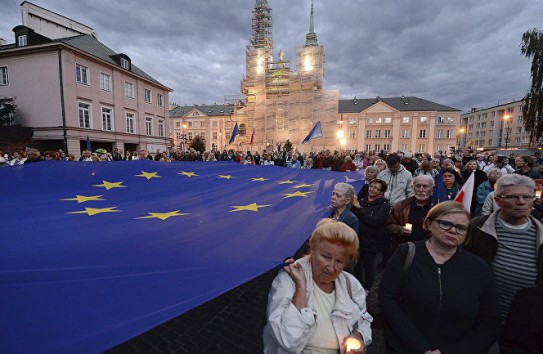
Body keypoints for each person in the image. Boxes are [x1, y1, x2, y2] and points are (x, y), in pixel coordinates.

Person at [379, 201, 502, 354]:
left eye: (461, 228)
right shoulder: (406, 254)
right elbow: (388, 300)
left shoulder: (478, 268)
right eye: (445, 224)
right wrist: (420, 348)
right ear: (429, 224)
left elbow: (489, 321)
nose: (453, 230)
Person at [263, 219, 373, 354]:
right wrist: (301, 288)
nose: (331, 268)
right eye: (326, 257)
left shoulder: (352, 285)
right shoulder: (288, 280)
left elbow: (364, 319)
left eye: (339, 261)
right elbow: (289, 340)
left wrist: (360, 336)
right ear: (312, 250)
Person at [466, 174, 543, 322]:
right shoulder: (477, 228)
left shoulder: (541, 235)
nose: (521, 202)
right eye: (512, 197)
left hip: (527, 322)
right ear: (498, 201)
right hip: (482, 318)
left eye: (527, 197)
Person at [354, 179, 390, 290]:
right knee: (357, 265)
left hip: (372, 240)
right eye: (371, 186)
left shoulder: (384, 204)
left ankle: (367, 288)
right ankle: (356, 286)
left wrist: (359, 209)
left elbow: (374, 221)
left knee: (368, 266)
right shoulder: (363, 200)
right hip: (359, 238)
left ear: (381, 192)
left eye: (376, 188)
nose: (372, 189)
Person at [386, 175, 434, 247]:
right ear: (413, 188)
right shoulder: (401, 206)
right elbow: (389, 225)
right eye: (418, 186)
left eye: (425, 186)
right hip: (408, 248)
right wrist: (400, 230)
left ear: (432, 188)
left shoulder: (438, 206)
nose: (421, 190)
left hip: (433, 249)